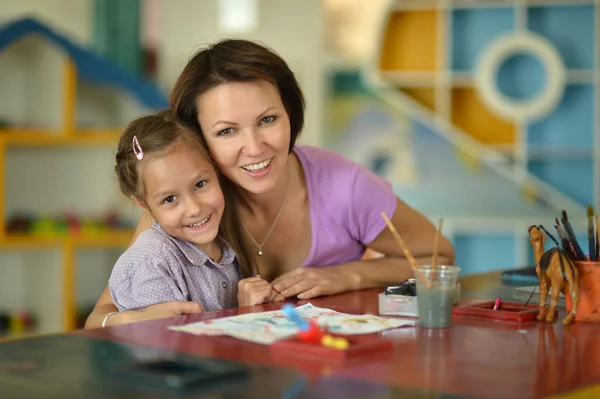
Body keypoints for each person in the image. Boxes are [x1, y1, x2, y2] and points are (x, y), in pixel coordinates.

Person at [85, 39, 454, 328]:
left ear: (290, 113)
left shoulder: (345, 185)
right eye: (227, 130)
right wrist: (126, 320)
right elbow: (100, 315)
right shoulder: (186, 204)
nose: (255, 147)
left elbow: (437, 258)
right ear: (198, 139)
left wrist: (346, 275)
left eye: (268, 120)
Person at [106, 110, 272, 323]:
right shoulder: (150, 261)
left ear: (216, 171)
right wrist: (246, 315)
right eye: (169, 199)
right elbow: (172, 348)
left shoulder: (225, 243)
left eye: (200, 184)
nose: (194, 208)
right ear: (145, 205)